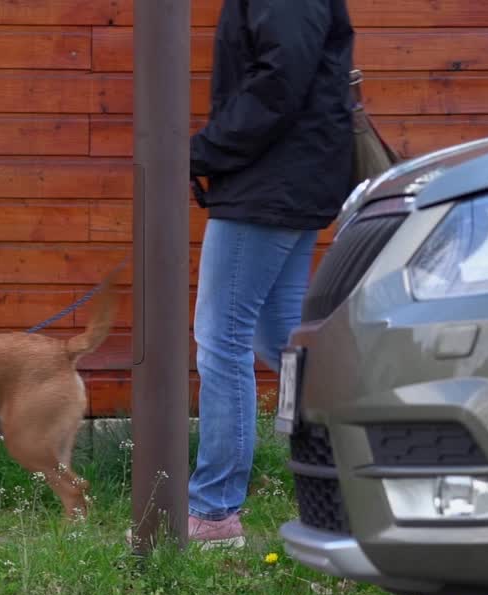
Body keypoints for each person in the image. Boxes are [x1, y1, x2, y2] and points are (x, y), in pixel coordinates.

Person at [187, 0, 355, 546]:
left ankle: (213, 513)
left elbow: (280, 82)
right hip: (285, 177)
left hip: (271, 183)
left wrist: (206, 150)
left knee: (222, 339)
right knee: (283, 343)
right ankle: (341, 485)